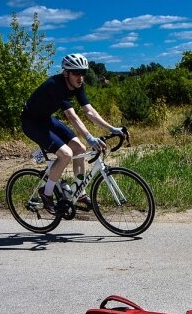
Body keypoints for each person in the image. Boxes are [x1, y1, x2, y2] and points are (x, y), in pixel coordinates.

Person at [21, 53, 126, 214]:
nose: (80, 77)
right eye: (76, 73)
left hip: (47, 119)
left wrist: (112, 129)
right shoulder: (55, 85)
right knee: (66, 154)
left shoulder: (78, 85)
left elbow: (89, 112)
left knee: (81, 149)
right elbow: (72, 116)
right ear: (66, 73)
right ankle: (46, 192)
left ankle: (79, 191)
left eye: (83, 73)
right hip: (31, 123)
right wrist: (90, 137)